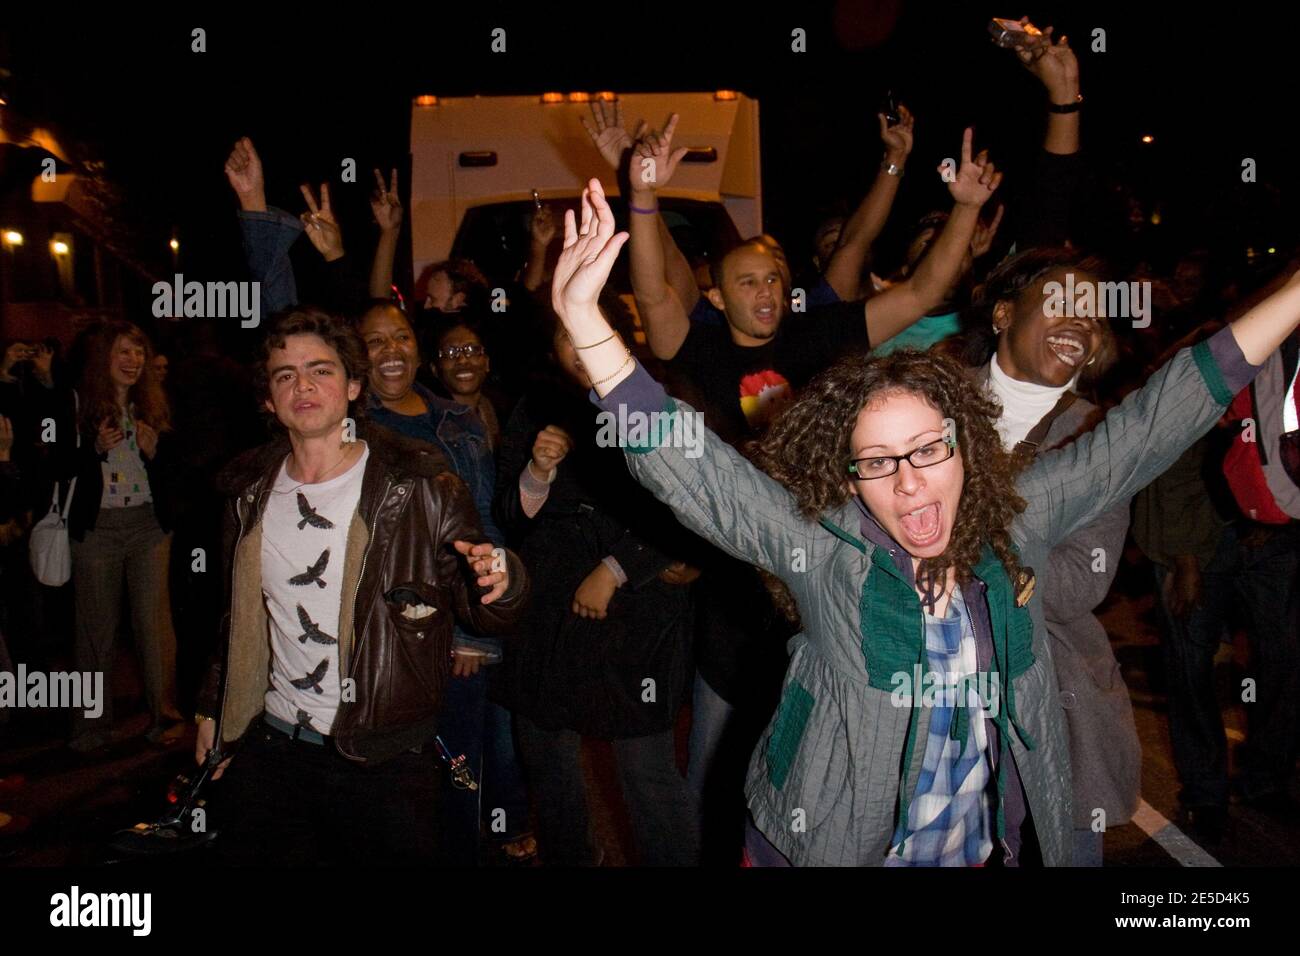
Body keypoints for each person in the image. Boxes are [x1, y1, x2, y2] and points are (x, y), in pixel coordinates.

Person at [548, 177, 1299, 866]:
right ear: (847, 476)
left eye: (927, 450)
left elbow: (1157, 417)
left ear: (965, 447)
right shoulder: (822, 548)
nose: (908, 482)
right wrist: (586, 321)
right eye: (877, 461)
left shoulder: (1019, 521)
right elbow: (695, 467)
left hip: (976, 847)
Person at [193, 308, 530, 865]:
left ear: (353, 385)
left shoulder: (419, 482)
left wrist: (504, 577)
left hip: (382, 752)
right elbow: (236, 616)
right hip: (273, 739)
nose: (302, 385)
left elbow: (487, 609)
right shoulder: (246, 489)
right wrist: (213, 708)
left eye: (320, 370)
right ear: (268, 400)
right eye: (284, 375)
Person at [493, 312, 701, 865]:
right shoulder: (537, 405)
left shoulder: (660, 396)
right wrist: (537, 471)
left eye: (591, 330)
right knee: (550, 759)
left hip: (639, 614)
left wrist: (617, 567)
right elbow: (512, 516)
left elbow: (698, 502)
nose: (580, 347)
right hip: (549, 614)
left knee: (645, 767)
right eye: (566, 335)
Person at [961, 247, 1135, 866]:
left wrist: (962, 554)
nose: (1081, 323)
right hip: (925, 691)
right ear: (1005, 314)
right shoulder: (930, 404)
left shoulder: (1101, 437)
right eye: (1062, 304)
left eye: (1094, 317)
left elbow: (1075, 585)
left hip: (1047, 694)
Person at [357, 302, 533, 864]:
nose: (391, 351)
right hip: (384, 631)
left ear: (417, 348)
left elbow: (482, 523)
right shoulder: (352, 428)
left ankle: (473, 845)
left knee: (467, 752)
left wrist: (473, 632)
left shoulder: (457, 420)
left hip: (456, 627)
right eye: (374, 341)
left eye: (401, 337)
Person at [57, 321, 183, 751]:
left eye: (139, 352)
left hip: (148, 525)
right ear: (103, 358)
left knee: (155, 627)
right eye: (123, 352)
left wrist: (155, 451)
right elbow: (50, 466)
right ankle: (91, 727)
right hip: (98, 529)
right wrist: (89, 450)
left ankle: (163, 715)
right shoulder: (76, 402)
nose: (133, 361)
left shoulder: (152, 404)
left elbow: (177, 472)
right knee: (96, 630)